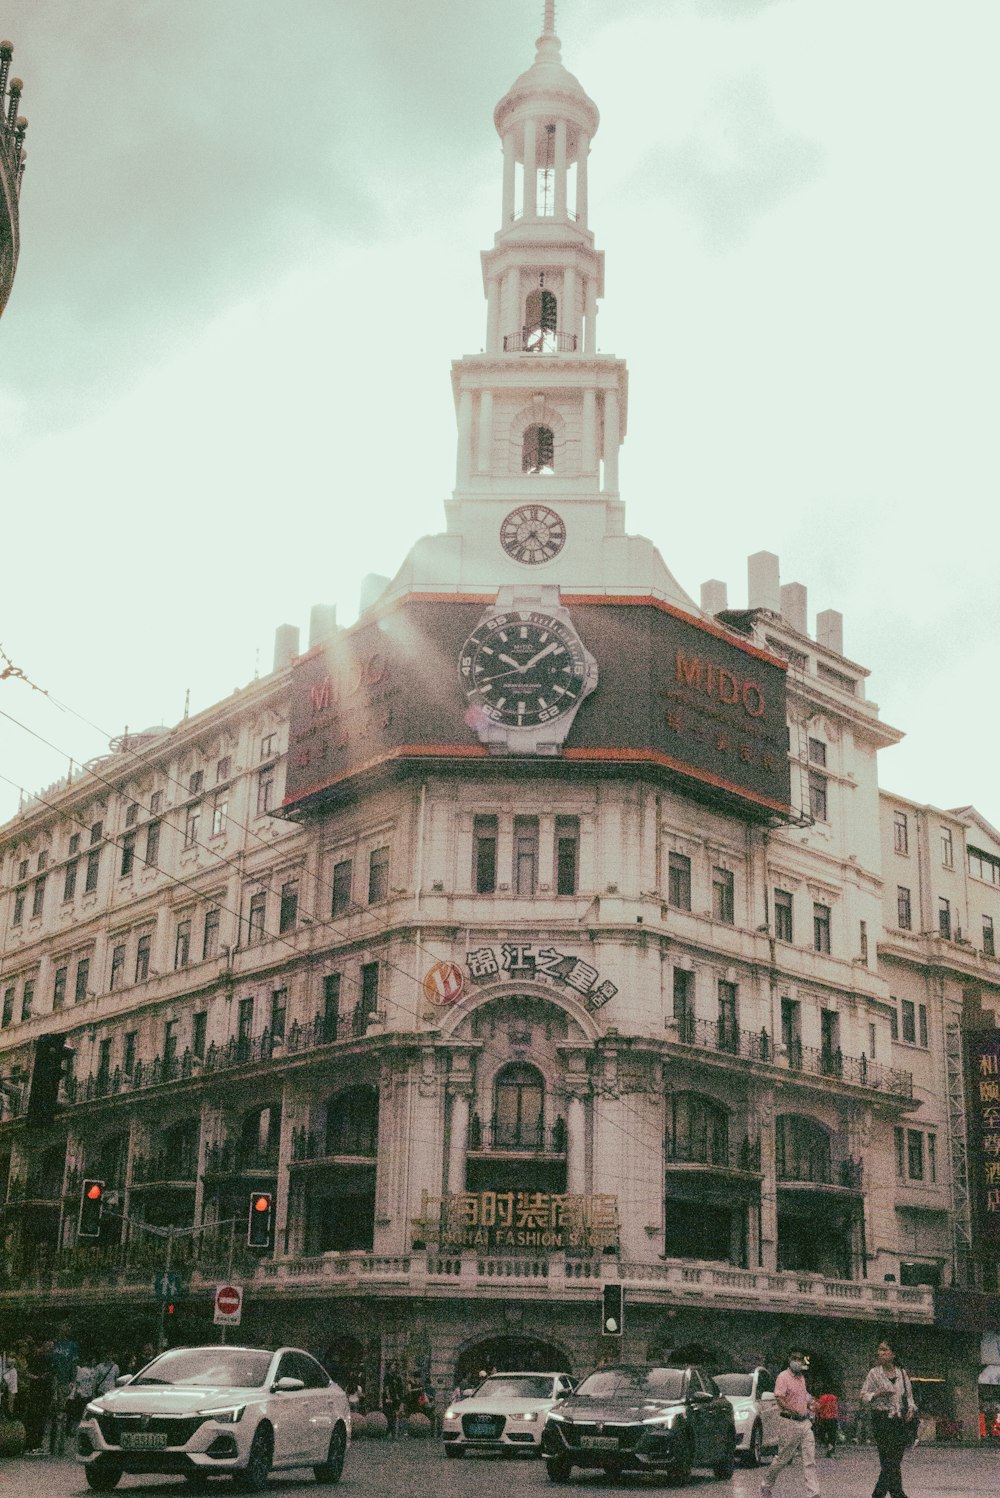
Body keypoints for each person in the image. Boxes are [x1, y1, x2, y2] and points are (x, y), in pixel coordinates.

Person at [860, 1338, 917, 1498]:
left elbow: (909, 1397)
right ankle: (895, 1494)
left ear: (893, 1354)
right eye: (879, 1349)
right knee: (888, 1460)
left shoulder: (902, 1373)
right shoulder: (874, 1373)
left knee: (893, 1461)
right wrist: (878, 1394)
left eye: (885, 1350)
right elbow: (863, 1395)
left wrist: (911, 1409)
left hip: (899, 1421)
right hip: (882, 1419)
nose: (881, 1353)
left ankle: (885, 1494)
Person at [760, 1347, 819, 1498]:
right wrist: (791, 1410)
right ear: (789, 1359)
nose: (797, 1361)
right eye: (795, 1358)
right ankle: (766, 1484)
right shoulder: (783, 1377)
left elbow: (803, 1396)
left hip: (804, 1423)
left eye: (800, 1359)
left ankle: (813, 1493)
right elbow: (779, 1398)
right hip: (789, 1422)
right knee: (783, 1458)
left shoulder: (801, 1378)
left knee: (809, 1459)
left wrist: (811, 1403)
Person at [381, 1360, 405, 1438]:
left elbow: (400, 1387)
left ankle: (394, 1433)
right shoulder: (387, 1376)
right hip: (390, 1399)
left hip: (396, 1398)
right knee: (389, 1415)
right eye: (393, 1365)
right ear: (389, 1367)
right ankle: (389, 1432)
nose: (395, 1367)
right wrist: (388, 1397)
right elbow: (386, 1388)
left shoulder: (396, 1376)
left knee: (394, 1415)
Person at [814, 1390, 839, 1457]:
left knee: (821, 1434)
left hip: (824, 1418)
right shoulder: (834, 1397)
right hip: (833, 1418)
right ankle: (831, 1451)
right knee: (832, 1436)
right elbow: (836, 1408)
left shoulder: (823, 1397)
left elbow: (818, 1408)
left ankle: (828, 1445)